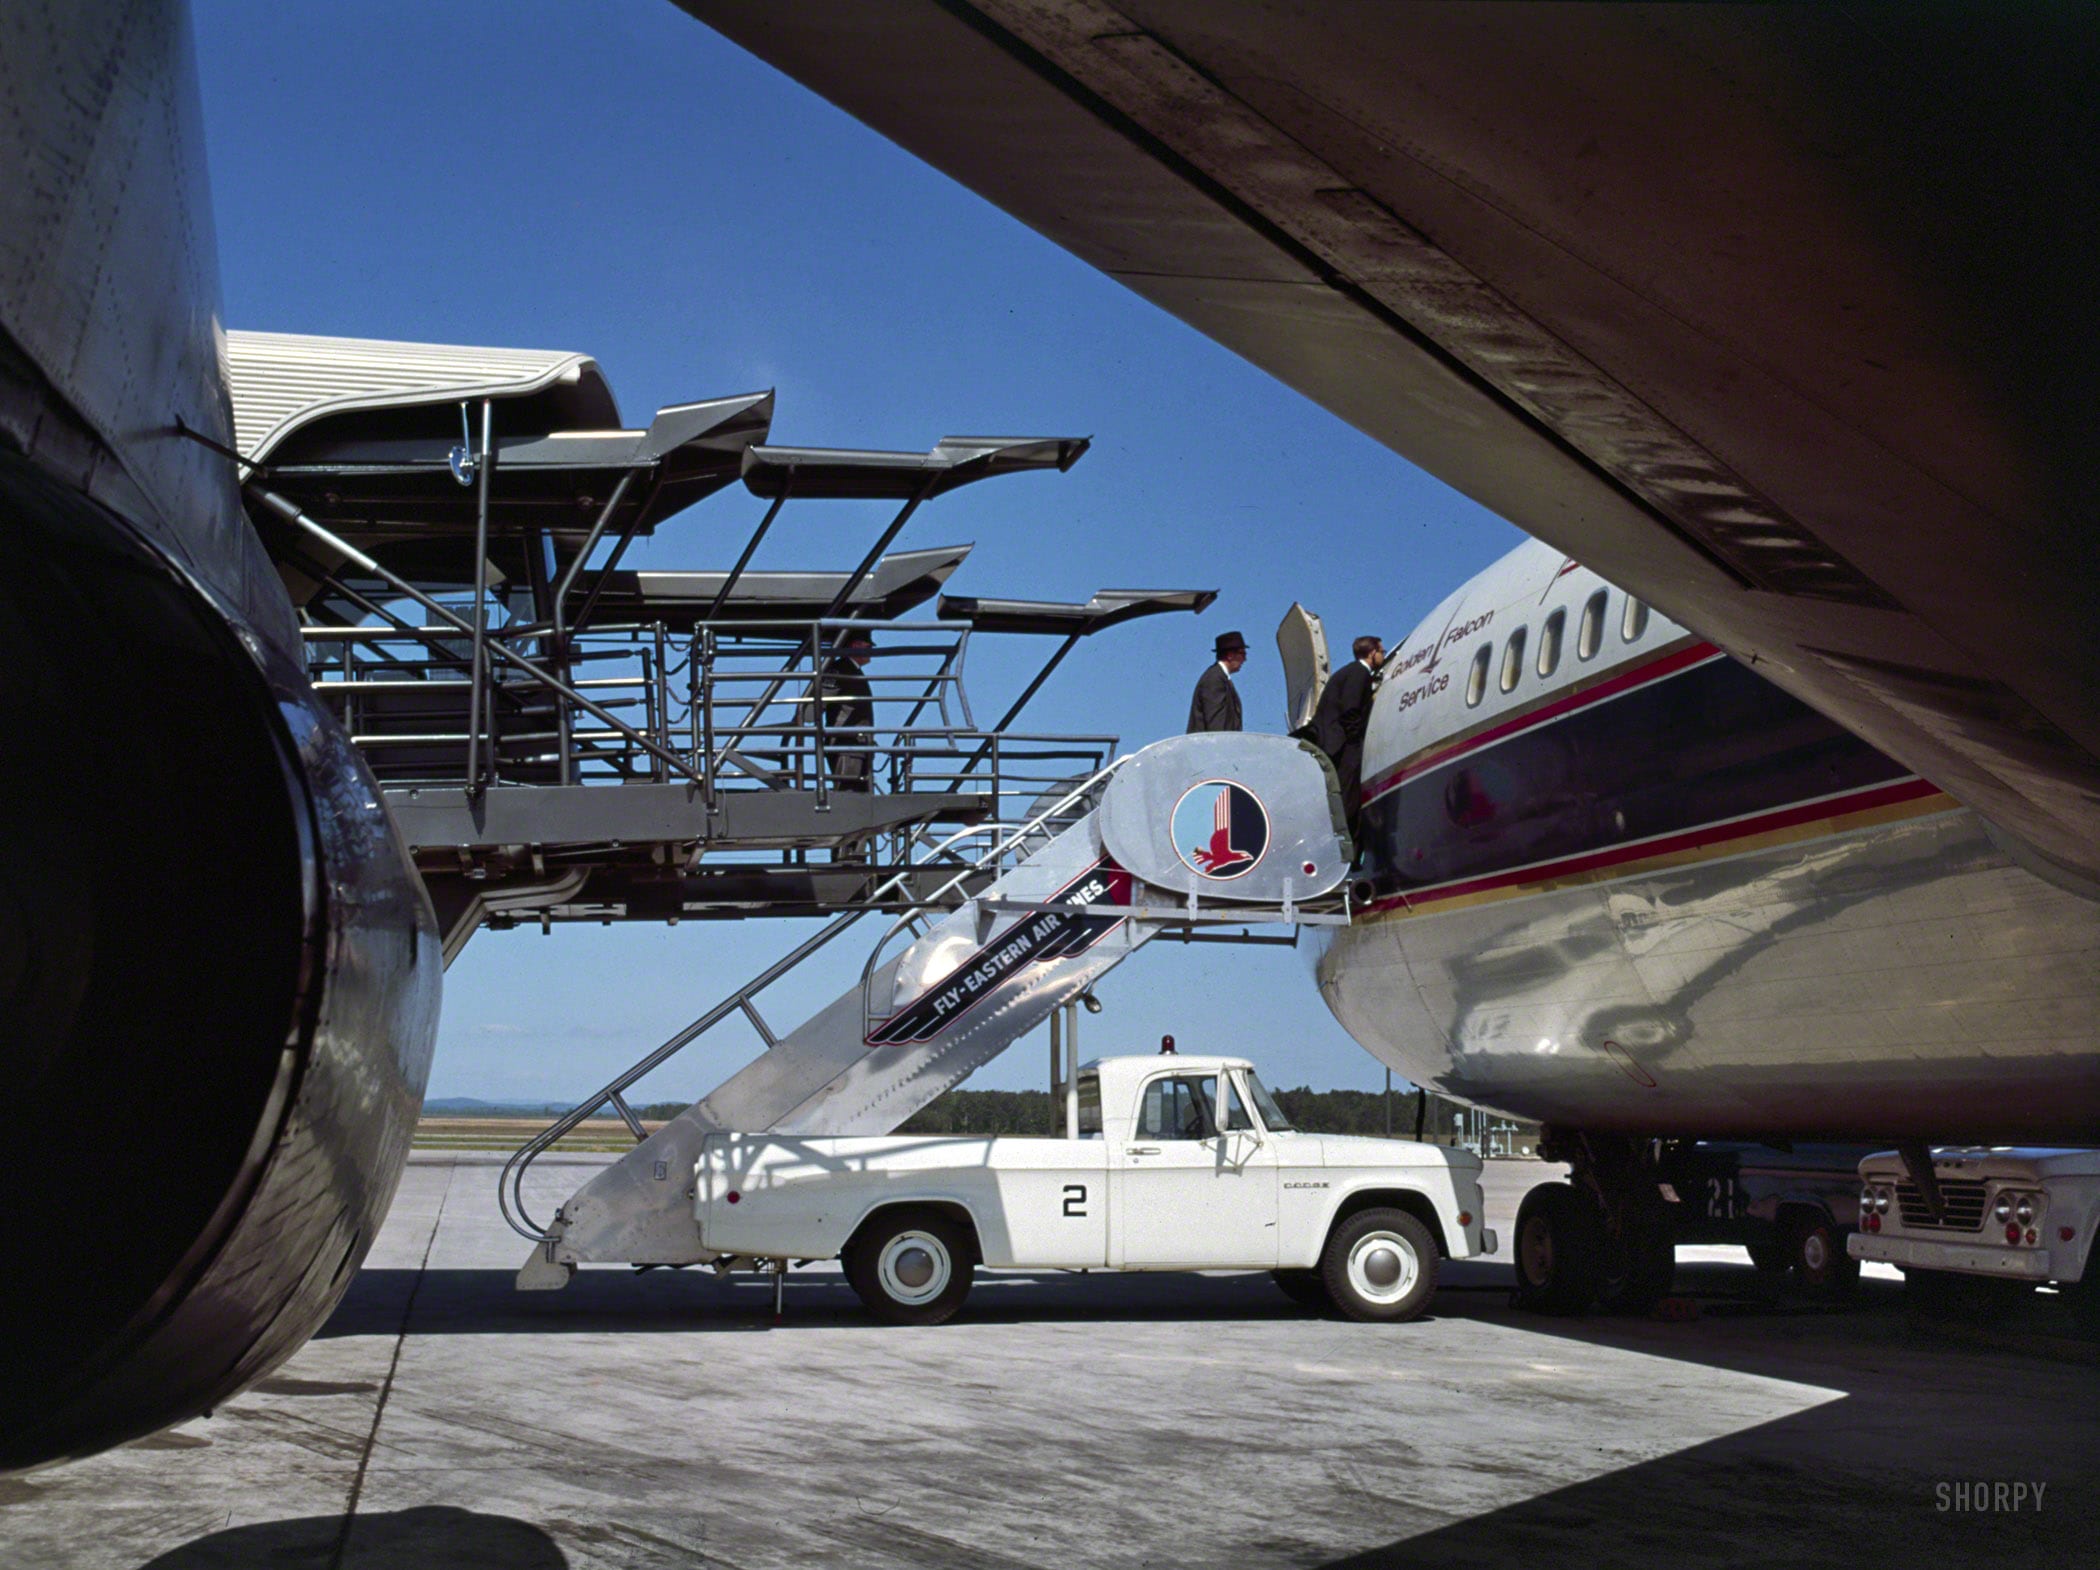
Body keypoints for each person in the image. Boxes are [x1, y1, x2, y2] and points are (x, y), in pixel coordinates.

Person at [1313, 634, 1384, 838]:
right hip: (1344, 745)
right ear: (1372, 653)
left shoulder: (1348, 672)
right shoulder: (1359, 674)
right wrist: (1356, 741)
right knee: (1348, 798)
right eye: (1381, 652)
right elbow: (1351, 710)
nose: (1382, 656)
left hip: (1336, 743)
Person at [817, 629, 876, 793]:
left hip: (857, 745)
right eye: (868, 646)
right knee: (848, 793)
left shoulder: (851, 670)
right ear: (855, 645)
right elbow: (818, 703)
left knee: (859, 794)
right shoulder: (840, 669)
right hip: (847, 746)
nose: (871, 651)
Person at [1186, 630, 1246, 733]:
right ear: (1230, 655)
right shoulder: (1214, 680)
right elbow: (1216, 727)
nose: (1245, 659)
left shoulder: (1221, 679)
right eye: (1242, 653)